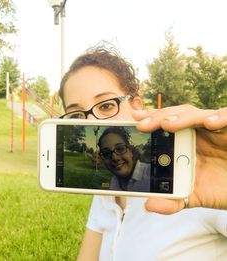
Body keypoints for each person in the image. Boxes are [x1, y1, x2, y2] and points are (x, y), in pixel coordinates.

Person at [58, 43, 227, 260]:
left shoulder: (198, 183)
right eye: (77, 116)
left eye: (106, 106)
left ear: (137, 106)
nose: (92, 123)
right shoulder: (106, 190)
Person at [97, 126, 150, 192]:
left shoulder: (151, 173)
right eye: (106, 153)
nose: (115, 158)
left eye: (120, 149)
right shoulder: (113, 182)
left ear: (130, 151)